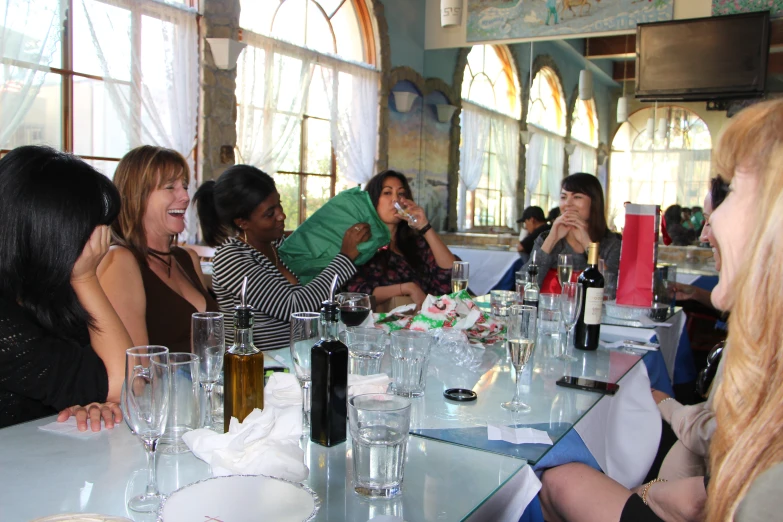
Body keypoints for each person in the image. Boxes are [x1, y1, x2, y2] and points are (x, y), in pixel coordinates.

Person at [538, 97, 783, 522]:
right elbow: (528, 282)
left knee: (557, 476)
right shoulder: (550, 236)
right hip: (697, 483)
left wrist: (656, 490)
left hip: (693, 495)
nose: (708, 226)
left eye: (731, 194)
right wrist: (548, 244)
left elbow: (609, 293)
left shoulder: (611, 243)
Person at [0, 146, 132, 431]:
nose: (100, 242)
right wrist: (85, 277)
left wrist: (91, 402)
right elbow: (125, 381)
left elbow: (125, 383)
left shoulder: (44, 294)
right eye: (91, 228)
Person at [194, 164, 370, 349]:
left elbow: (317, 290)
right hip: (261, 368)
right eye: (270, 214)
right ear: (242, 222)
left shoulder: (279, 246)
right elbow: (294, 307)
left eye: (279, 205)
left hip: (298, 360)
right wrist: (345, 258)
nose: (282, 215)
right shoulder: (231, 258)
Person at [98, 146, 218, 354]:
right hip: (165, 386)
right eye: (170, 187)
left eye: (185, 186)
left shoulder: (187, 258)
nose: (185, 197)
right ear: (137, 196)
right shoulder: (119, 261)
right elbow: (137, 367)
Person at [345, 170, 456, 309]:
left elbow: (452, 275)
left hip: (424, 326)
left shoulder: (416, 244)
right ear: (372, 200)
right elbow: (354, 291)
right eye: (387, 192)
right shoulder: (362, 244)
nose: (395, 199)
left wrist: (425, 227)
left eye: (401, 193)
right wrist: (407, 288)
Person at [523, 173, 621, 291]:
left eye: (577, 197)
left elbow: (610, 290)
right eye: (563, 197)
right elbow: (525, 285)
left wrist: (587, 244)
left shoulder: (611, 243)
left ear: (594, 202)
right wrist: (551, 239)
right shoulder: (545, 238)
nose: (568, 204)